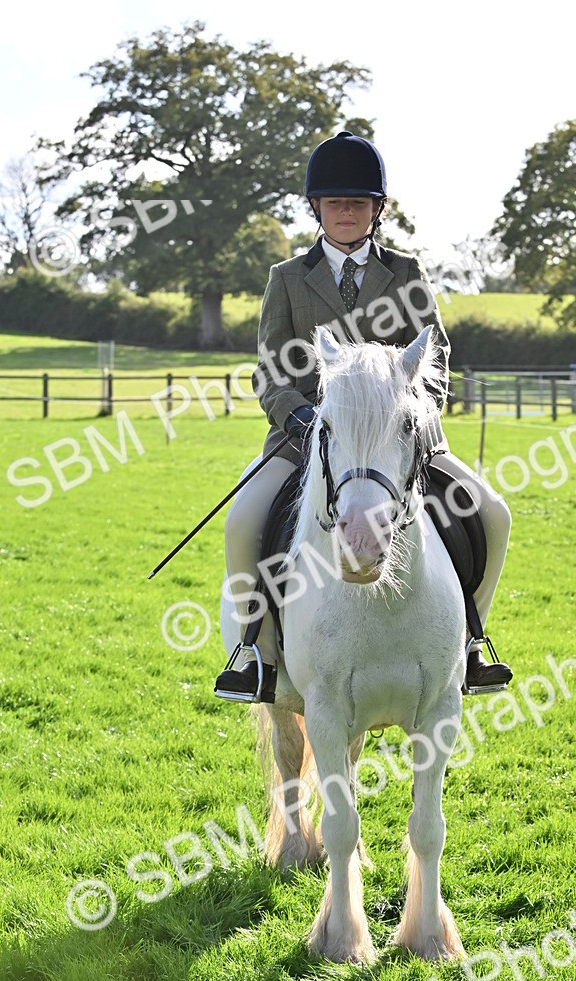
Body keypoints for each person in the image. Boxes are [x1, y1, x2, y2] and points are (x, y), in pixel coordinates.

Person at [215, 130, 512, 704]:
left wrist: (417, 415)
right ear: (316, 209)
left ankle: (471, 641)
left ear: (376, 210)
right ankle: (254, 652)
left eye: (357, 203)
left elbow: (436, 351)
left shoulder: (404, 274)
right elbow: (269, 371)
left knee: (494, 515)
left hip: (397, 442)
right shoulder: (287, 279)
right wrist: (301, 417)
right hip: (308, 440)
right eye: (334, 203)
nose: (345, 213)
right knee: (240, 523)